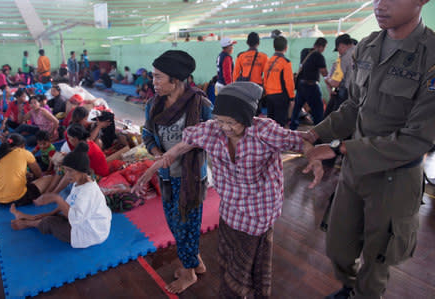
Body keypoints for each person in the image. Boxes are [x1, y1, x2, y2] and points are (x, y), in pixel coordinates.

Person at [134, 82, 323, 298]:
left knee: (240, 267)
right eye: (220, 120)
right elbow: (181, 147)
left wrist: (313, 156)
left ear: (246, 117)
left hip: (259, 210)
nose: (224, 127)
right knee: (228, 256)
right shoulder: (212, 130)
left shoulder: (264, 131)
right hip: (230, 209)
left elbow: (301, 141)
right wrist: (152, 169)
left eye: (231, 123)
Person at [304, 0, 434, 298]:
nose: (380, 5)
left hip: (395, 179)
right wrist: (316, 133)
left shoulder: (430, 55)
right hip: (355, 172)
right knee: (338, 247)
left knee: (378, 259)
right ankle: (349, 289)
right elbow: (353, 106)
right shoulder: (367, 46)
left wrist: (339, 148)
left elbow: (417, 139)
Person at [142, 50, 212, 293]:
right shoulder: (153, 105)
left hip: (191, 177)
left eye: (159, 77)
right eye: (153, 77)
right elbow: (147, 134)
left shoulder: (201, 105)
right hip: (166, 175)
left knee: (186, 225)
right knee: (175, 223)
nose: (154, 83)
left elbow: (213, 136)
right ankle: (196, 261)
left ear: (176, 80)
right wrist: (156, 154)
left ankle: (189, 273)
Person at [10, 142, 112, 248]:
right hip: (83, 221)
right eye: (66, 171)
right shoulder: (81, 182)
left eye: (70, 171)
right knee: (52, 215)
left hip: (91, 234)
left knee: (50, 222)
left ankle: (26, 223)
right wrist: (48, 213)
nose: (67, 176)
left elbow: (74, 218)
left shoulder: (87, 192)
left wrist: (56, 198)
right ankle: (29, 217)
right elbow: (69, 204)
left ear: (82, 171)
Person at [0, 133, 42, 205]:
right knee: (48, 178)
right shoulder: (24, 153)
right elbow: (38, 174)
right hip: (18, 199)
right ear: (22, 146)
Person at [289, 37, 328, 130]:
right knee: (318, 108)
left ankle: (292, 127)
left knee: (297, 107)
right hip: (311, 85)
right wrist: (329, 79)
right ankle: (319, 129)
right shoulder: (319, 56)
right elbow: (324, 72)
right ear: (322, 47)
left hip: (301, 85)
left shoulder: (304, 51)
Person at [263, 35, 296, 127]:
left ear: (274, 47)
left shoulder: (268, 61)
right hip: (281, 96)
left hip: (269, 95)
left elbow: (265, 78)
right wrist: (292, 97)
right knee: (280, 123)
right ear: (286, 48)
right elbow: (289, 81)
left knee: (271, 122)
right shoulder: (286, 62)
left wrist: (266, 92)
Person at [324, 34, 356, 118]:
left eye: (338, 50)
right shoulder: (360, 52)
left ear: (341, 46)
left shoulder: (345, 57)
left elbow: (335, 83)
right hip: (359, 92)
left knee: (334, 118)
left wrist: (328, 80)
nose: (339, 53)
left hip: (346, 92)